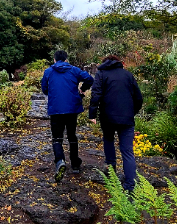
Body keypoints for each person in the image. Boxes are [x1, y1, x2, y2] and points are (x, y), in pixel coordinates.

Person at [88, 54, 143, 191]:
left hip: (108, 117)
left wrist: (92, 114)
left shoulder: (101, 74)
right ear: (119, 62)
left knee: (108, 139)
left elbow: (96, 94)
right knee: (127, 151)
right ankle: (130, 186)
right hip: (127, 119)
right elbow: (138, 98)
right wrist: (132, 112)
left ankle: (111, 168)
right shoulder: (128, 75)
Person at [41, 50, 94, 182]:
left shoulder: (48, 72)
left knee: (57, 138)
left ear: (54, 59)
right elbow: (90, 79)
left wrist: (52, 92)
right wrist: (83, 90)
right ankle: (75, 164)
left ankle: (60, 161)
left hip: (56, 109)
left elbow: (44, 89)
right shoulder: (74, 70)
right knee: (72, 136)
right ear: (66, 59)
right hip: (72, 108)